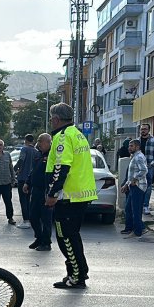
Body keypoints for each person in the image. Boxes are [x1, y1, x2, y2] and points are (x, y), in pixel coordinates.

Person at [45, 103, 96, 289]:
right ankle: (80, 271)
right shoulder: (77, 134)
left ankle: (76, 276)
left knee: (65, 237)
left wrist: (52, 193)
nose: (51, 121)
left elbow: (61, 168)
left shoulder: (62, 137)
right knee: (72, 236)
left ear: (56, 119)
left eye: (52, 118)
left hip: (68, 197)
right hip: (79, 195)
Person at [27, 133, 53, 251]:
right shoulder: (38, 154)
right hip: (36, 190)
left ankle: (46, 242)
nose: (38, 143)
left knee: (46, 218)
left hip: (45, 191)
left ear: (48, 142)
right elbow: (33, 170)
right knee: (33, 216)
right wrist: (28, 182)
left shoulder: (53, 156)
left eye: (40, 141)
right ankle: (39, 237)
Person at [120, 139, 148, 237]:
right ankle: (130, 228)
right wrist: (126, 185)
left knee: (136, 210)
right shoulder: (134, 157)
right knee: (128, 209)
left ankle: (137, 231)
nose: (129, 148)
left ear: (137, 147)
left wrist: (135, 180)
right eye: (129, 146)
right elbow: (131, 174)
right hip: (132, 186)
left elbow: (144, 170)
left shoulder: (139, 157)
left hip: (138, 186)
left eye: (131, 146)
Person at [14, 134, 39, 229]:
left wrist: (15, 169)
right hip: (32, 179)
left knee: (23, 200)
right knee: (29, 199)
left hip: (23, 178)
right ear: (33, 141)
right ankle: (31, 219)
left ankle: (26, 220)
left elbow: (21, 160)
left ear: (25, 140)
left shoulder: (24, 149)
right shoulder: (36, 151)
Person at [138, 124, 154, 214]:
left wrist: (151, 164)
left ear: (149, 130)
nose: (143, 131)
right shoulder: (137, 141)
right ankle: (139, 204)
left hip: (149, 166)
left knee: (148, 186)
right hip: (138, 167)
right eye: (142, 129)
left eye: (145, 129)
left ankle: (145, 205)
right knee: (138, 185)